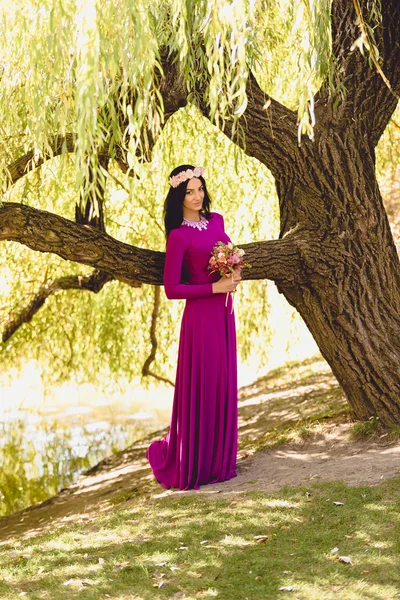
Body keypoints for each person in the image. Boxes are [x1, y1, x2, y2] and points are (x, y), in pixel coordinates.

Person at [146, 164, 242, 490]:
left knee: (223, 382)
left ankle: (220, 460)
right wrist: (214, 288)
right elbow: (172, 289)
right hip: (200, 320)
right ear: (178, 197)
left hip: (224, 313)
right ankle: (196, 463)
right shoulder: (178, 237)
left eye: (200, 189)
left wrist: (234, 274)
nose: (197, 196)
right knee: (205, 382)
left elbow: (230, 256)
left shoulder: (217, 221)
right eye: (189, 192)